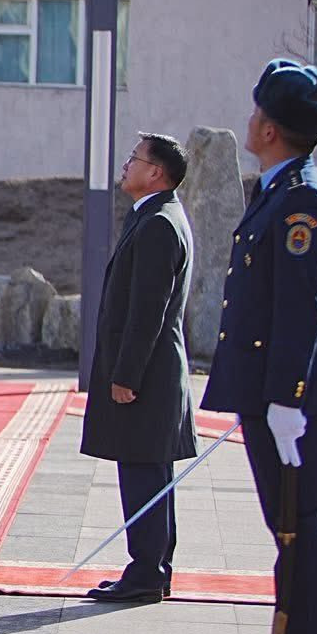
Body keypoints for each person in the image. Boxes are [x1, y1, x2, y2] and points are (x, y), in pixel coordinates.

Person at [203, 59, 317, 634]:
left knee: (298, 524)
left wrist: (287, 401)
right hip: (271, 392)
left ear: (271, 129)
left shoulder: (301, 201)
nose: (250, 118)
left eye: (258, 112)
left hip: (287, 398)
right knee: (289, 524)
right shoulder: (281, 188)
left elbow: (300, 311)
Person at [79, 133, 195, 605]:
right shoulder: (153, 217)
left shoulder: (159, 225)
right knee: (147, 470)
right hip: (151, 371)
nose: (126, 165)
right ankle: (151, 566)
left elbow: (149, 310)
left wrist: (125, 375)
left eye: (135, 159)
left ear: (157, 173)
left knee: (145, 471)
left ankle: (147, 569)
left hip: (147, 375)